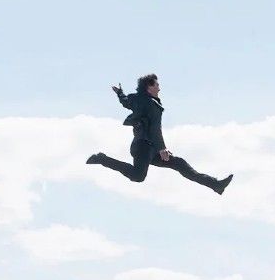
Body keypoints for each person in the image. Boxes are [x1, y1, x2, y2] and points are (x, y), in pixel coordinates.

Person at [86, 73, 233, 194]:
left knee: (179, 164)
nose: (159, 88)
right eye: (156, 85)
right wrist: (162, 148)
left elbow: (125, 102)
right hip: (145, 146)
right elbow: (155, 128)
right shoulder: (152, 104)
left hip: (146, 147)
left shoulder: (137, 99)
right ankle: (102, 159)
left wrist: (120, 93)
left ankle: (215, 185)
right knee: (138, 176)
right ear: (149, 87)